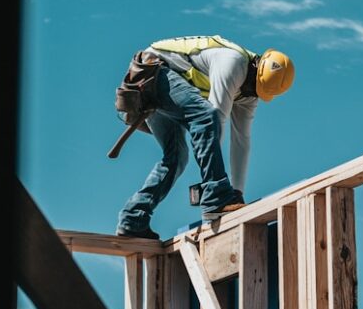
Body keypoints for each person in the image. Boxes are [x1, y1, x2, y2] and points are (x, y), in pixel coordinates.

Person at [116, 35, 294, 239]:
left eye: (255, 91)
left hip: (161, 83)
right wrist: (217, 192)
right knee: (206, 116)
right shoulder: (233, 63)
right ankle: (216, 196)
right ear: (256, 66)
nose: (249, 93)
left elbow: (241, 141)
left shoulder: (249, 93)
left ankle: (133, 218)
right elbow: (215, 120)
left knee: (176, 158)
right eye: (252, 86)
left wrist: (237, 193)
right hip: (152, 72)